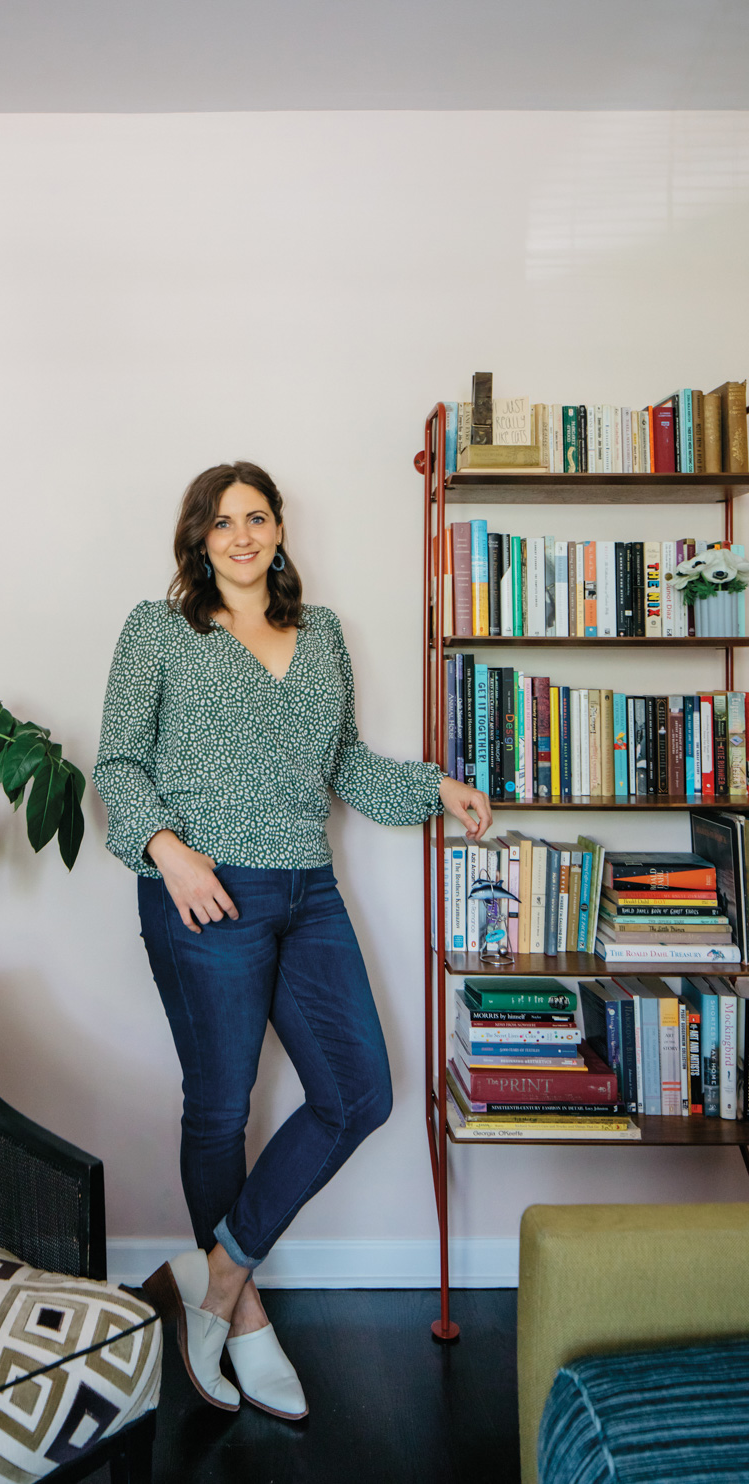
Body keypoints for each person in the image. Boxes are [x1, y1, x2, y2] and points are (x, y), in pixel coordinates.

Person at [93, 461, 490, 1419]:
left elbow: (344, 760)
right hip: (202, 893)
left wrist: (433, 786)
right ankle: (251, 1326)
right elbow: (117, 762)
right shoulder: (159, 630)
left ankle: (217, 1282)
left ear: (278, 530)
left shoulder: (321, 638)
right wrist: (170, 856)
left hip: (307, 889)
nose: (241, 535)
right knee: (221, 1109)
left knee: (360, 1094)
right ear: (198, 537)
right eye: (221, 522)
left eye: (257, 518)